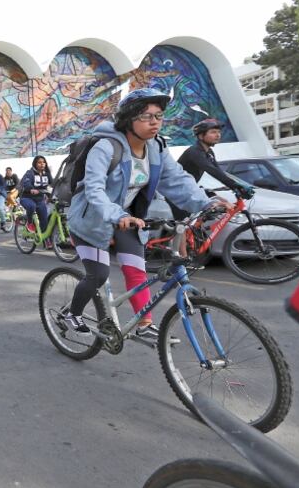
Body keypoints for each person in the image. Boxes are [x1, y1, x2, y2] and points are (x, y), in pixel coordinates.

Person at [63, 88, 226, 336]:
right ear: (129, 119)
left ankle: (144, 325)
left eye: (159, 116)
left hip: (129, 217)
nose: (154, 122)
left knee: (136, 270)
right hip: (91, 218)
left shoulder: (156, 148)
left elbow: (176, 179)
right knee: (98, 274)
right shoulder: (106, 147)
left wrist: (204, 203)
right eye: (146, 116)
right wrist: (117, 216)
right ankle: (72, 313)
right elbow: (94, 191)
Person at [19, 156, 53, 234]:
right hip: (27, 197)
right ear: (35, 163)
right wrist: (31, 189)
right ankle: (29, 222)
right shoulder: (30, 172)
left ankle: (45, 238)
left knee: (44, 219)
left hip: (40, 199)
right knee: (32, 206)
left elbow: (52, 184)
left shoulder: (47, 173)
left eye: (43, 162)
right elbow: (26, 183)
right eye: (39, 162)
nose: (42, 164)